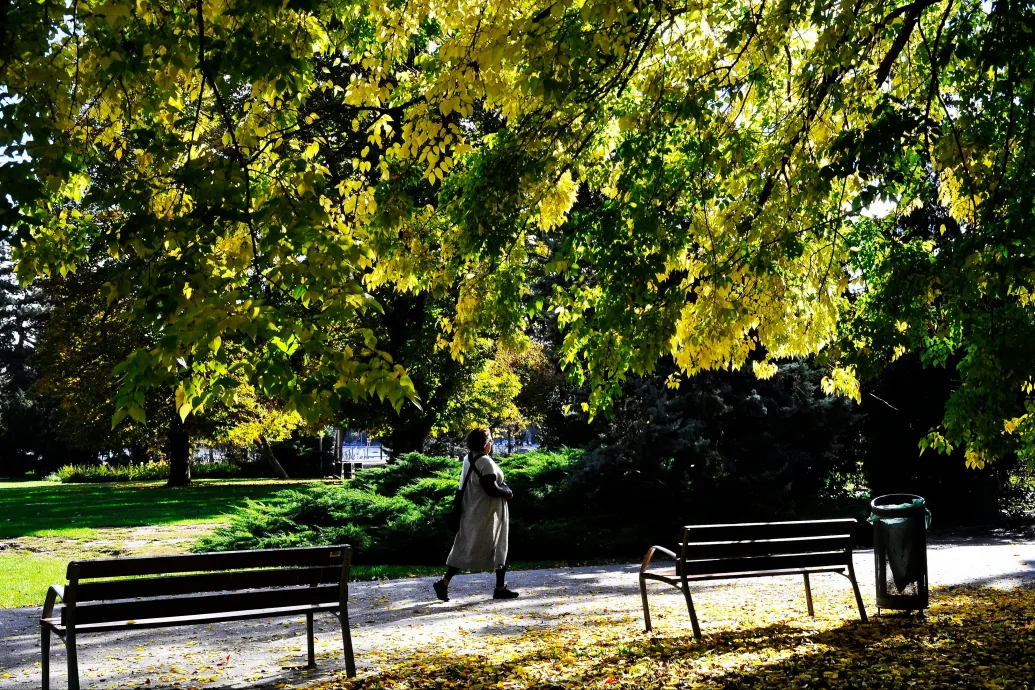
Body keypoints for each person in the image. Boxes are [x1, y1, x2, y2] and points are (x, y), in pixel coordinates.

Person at [434, 428, 518, 601]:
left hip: (471, 510)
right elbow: (491, 489)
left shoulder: (469, 458)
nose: (491, 444)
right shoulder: (485, 462)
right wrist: (508, 492)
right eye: (491, 441)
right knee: (499, 545)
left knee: (464, 546)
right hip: (486, 513)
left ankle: (444, 583)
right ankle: (499, 589)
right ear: (486, 444)